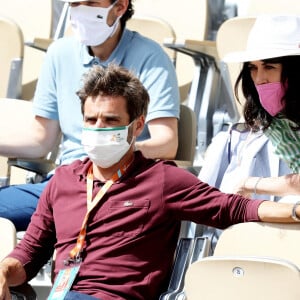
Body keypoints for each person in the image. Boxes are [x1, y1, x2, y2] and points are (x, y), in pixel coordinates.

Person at [1, 64, 300, 300]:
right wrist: (4, 271)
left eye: (110, 120)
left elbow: (233, 208)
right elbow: (28, 255)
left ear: (138, 126)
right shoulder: (64, 179)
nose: (98, 128)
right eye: (91, 120)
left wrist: (295, 212)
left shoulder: (162, 180)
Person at [0, 0, 180, 231]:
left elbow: (167, 143)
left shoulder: (151, 57)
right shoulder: (59, 53)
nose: (81, 10)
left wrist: (115, 150)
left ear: (120, 7)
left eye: (91, 3)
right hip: (64, 183)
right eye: (75, 3)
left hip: (121, 185)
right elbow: (40, 141)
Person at [200, 15, 300, 200]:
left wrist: (250, 184)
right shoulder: (273, 118)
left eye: (269, 66)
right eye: (253, 67)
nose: (259, 78)